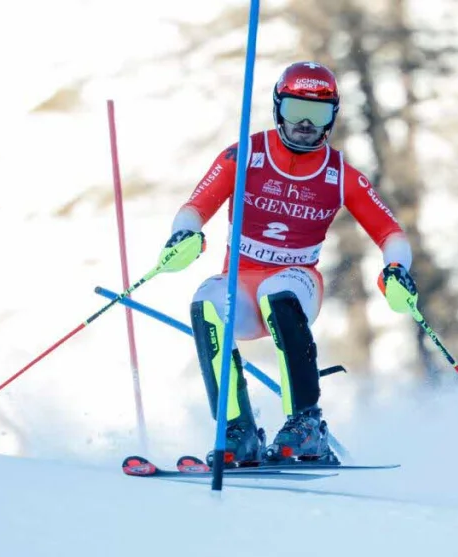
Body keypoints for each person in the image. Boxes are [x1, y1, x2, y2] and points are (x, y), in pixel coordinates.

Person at [156, 61, 419, 466]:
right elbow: (194, 207)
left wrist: (396, 270)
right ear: (278, 108)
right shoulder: (245, 155)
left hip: (297, 282)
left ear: (333, 117)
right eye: (296, 111)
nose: (305, 124)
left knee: (275, 293)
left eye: (318, 115)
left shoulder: (338, 173)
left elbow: (391, 233)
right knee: (206, 304)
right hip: (238, 283)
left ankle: (306, 425)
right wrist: (184, 234)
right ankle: (237, 430)